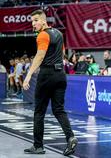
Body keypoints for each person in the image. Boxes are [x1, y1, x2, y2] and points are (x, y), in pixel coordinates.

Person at [22, 10, 77, 155]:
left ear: (43, 21)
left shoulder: (42, 35)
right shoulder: (58, 33)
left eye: (35, 20)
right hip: (60, 75)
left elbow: (39, 57)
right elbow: (63, 54)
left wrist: (28, 76)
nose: (33, 24)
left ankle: (38, 146)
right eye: (32, 21)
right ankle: (70, 136)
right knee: (59, 109)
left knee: (39, 111)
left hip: (46, 75)